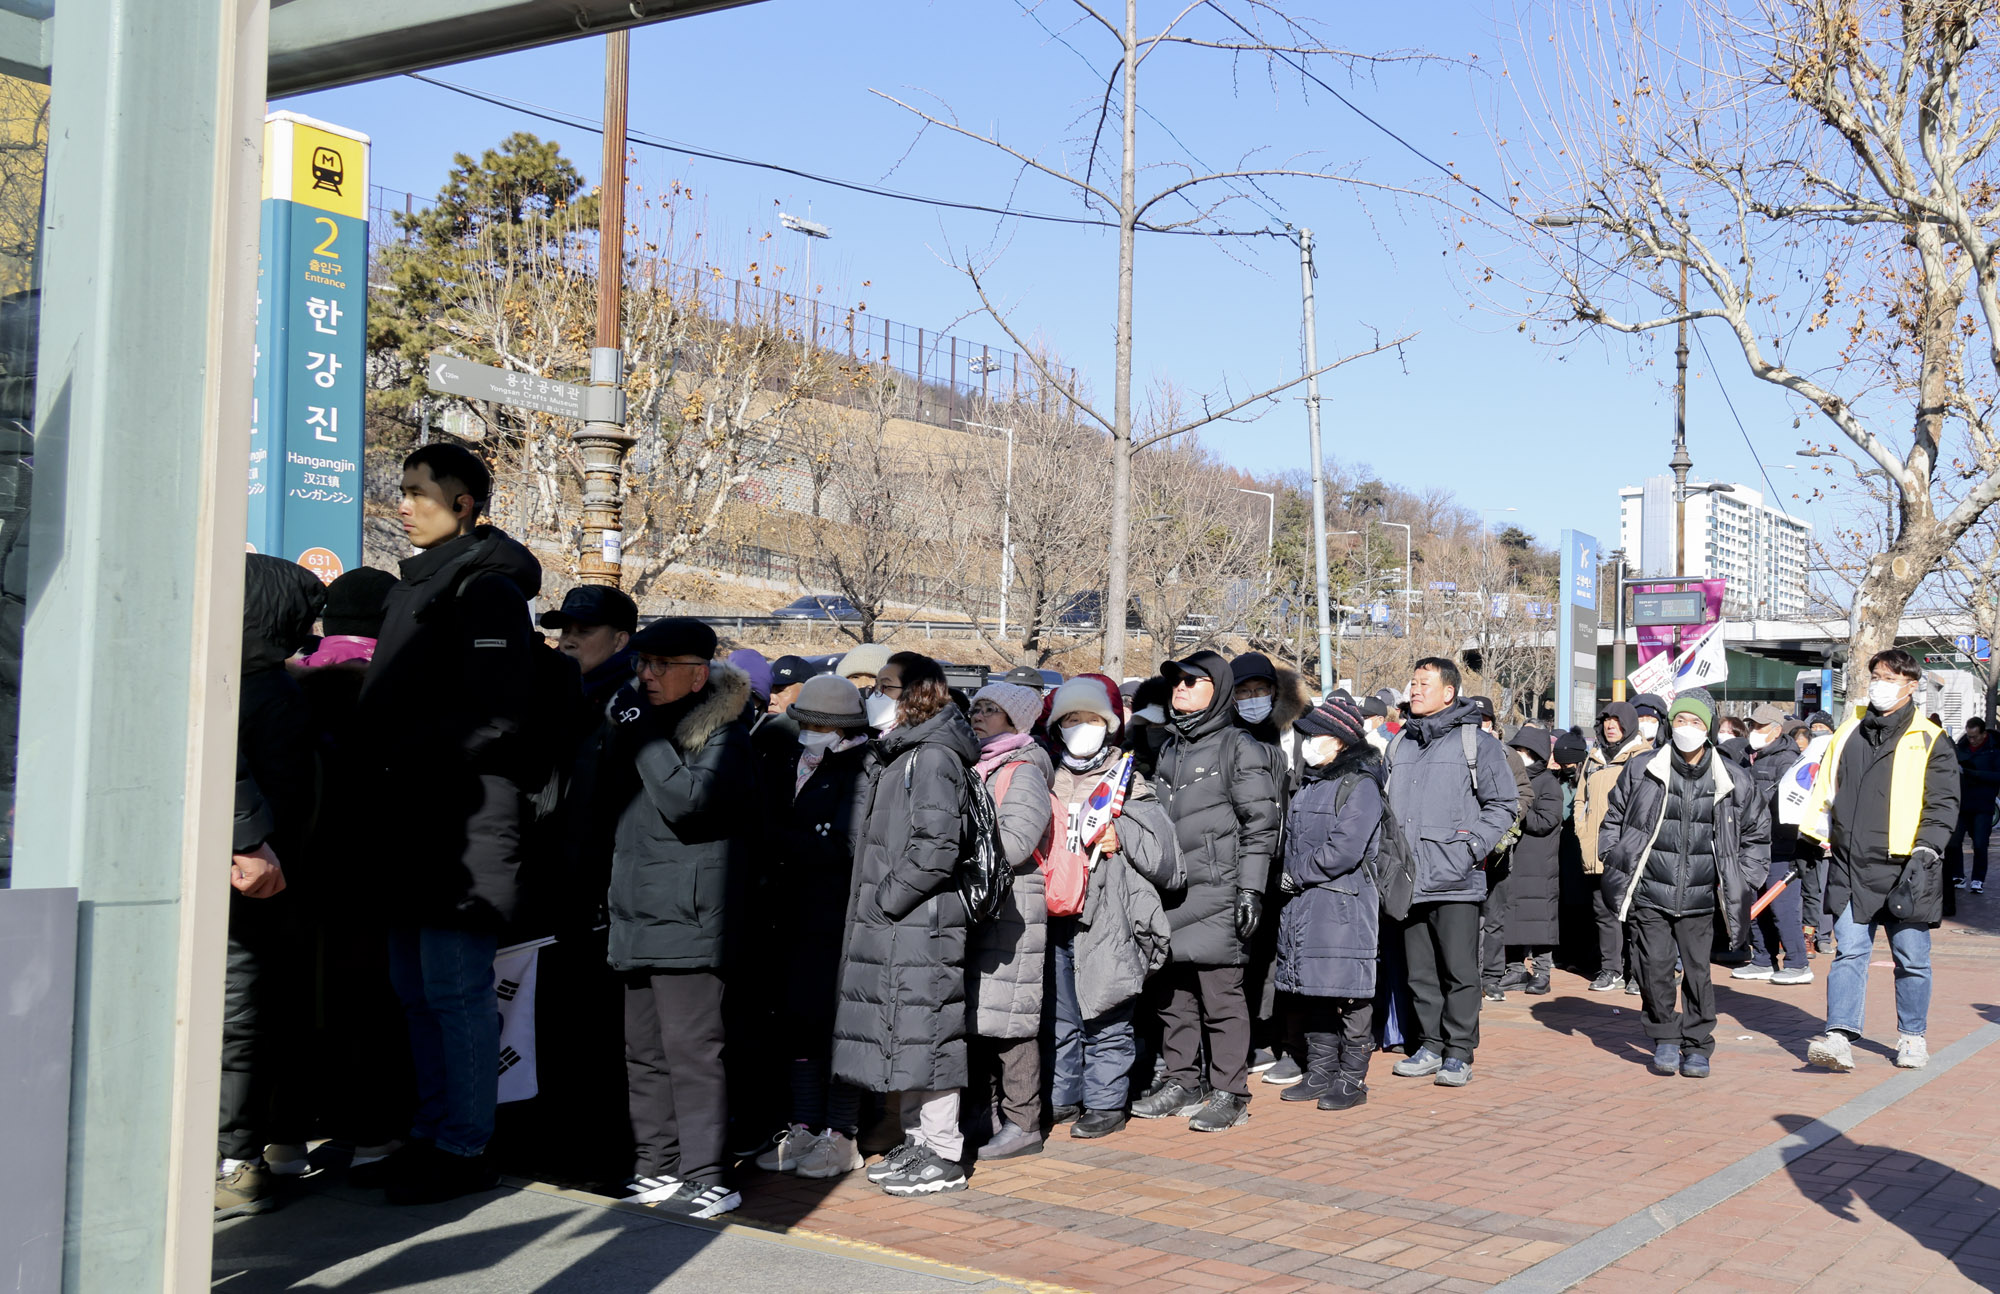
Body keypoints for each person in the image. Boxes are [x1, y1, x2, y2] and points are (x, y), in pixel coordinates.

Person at [355, 443, 544, 1205]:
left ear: (464, 504)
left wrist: (401, 754)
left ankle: (465, 1147)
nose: (402, 504)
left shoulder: (486, 589)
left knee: (455, 994)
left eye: (418, 492)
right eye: (401, 490)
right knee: (417, 992)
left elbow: (497, 717)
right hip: (413, 822)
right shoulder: (421, 584)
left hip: (461, 827)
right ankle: (433, 1134)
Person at [604, 618, 755, 1219]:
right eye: (642, 663)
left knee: (692, 1051)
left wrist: (643, 736)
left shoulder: (725, 735)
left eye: (661, 665)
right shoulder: (635, 723)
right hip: (635, 910)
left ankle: (708, 1175)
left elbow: (689, 802)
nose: (647, 675)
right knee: (643, 1051)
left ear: (698, 674)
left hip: (690, 918)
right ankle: (657, 1165)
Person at [836, 651, 979, 1196]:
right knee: (909, 1036)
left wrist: (886, 901)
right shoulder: (905, 751)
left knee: (930, 1035)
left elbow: (936, 848)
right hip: (905, 921)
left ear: (916, 692)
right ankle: (920, 1143)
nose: (875, 694)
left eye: (887, 686)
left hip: (922, 921)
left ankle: (942, 1154)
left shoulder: (933, 756)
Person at [214, 555, 327, 1219]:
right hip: (277, 880)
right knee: (265, 1010)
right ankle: (267, 1143)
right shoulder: (277, 688)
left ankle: (235, 1158)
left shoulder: (247, 690)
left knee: (238, 1016)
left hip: (248, 881)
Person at [1131, 650, 1281, 1132]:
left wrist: (1251, 890)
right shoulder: (1171, 746)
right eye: (1176, 680)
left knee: (1222, 998)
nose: (1180, 687)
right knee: (1172, 995)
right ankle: (1183, 1081)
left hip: (1219, 891)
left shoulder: (1239, 747)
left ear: (1217, 689)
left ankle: (1230, 1092)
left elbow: (1261, 825)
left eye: (1192, 681)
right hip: (1171, 891)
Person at [1803, 650, 1960, 1073]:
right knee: (1849, 953)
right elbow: (1825, 788)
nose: (1879, 684)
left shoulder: (1930, 739)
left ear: (1911, 685)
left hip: (1908, 868)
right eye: (1876, 676)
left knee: (1912, 959)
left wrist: (1927, 849)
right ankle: (1839, 1036)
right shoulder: (1848, 731)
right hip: (1851, 865)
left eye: (1890, 678)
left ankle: (1912, 1036)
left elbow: (1942, 804)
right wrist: (1813, 837)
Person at [1599, 689, 1768, 1079]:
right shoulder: (1643, 768)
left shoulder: (1732, 777)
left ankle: (1697, 1044)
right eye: (1680, 720)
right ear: (1669, 724)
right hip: (1649, 890)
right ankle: (1664, 1036)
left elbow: (1757, 834)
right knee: (1653, 968)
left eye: (1695, 721)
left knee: (1698, 973)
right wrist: (1615, 856)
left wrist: (1743, 880)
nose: (1687, 728)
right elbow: (1614, 818)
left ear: (1707, 727)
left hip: (1703, 894)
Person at [1043, 676, 1181, 1140]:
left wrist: (1122, 836)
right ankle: (1063, 1096)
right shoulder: (1045, 777)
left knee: (1106, 1012)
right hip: (1053, 914)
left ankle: (1105, 1104)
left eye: (1091, 719)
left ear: (1108, 725)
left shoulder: (1128, 781)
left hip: (1109, 914)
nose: (1081, 727)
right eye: (1071, 719)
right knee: (1060, 1016)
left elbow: (1167, 858)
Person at [753, 673, 874, 1180]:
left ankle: (841, 1133)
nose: (809, 731)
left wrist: (779, 837)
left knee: (836, 1026)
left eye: (820, 725)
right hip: (791, 910)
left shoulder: (863, 766)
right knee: (799, 1021)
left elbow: (847, 845)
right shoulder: (792, 759)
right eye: (806, 722)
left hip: (836, 916)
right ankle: (804, 1123)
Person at [1382, 658, 1519, 1088]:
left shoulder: (1476, 743)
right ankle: (1430, 1045)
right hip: (1409, 878)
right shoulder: (1400, 743)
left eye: (1424, 683)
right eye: (1412, 682)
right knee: (1419, 971)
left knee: (1460, 971)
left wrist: (1470, 848)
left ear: (1449, 692)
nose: (1414, 689)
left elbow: (1504, 805)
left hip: (1456, 879)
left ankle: (1459, 1051)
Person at [1273, 698, 1384, 1111]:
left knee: (1350, 995)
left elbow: (1344, 850)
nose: (1307, 743)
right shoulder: (1311, 782)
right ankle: (1320, 1072)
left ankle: (1352, 1080)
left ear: (1339, 740)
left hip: (1344, 907)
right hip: (1306, 905)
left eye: (1315, 736)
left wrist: (1295, 874)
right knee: (1314, 992)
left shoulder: (1361, 784)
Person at [963, 680, 1055, 1161]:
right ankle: (987, 1115)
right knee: (980, 1016)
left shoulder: (1024, 769)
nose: (977, 716)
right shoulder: (977, 764)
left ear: (1015, 720)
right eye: (975, 707)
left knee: (1013, 1018)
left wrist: (959, 846)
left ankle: (1023, 1123)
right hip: (982, 904)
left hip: (1014, 907)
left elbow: (1017, 843)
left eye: (989, 709)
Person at [1230, 651, 1312, 1081]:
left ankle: (1281, 1039)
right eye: (1243, 692)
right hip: (1240, 865)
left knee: (1283, 957)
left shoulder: (1299, 733)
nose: (1252, 699)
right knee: (1245, 957)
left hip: (1289, 864)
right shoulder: (1226, 734)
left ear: (1276, 693)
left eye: (1260, 690)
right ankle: (1249, 1039)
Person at [1735, 702, 1813, 985]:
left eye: (1760, 726)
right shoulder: (1747, 757)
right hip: (1752, 845)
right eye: (1752, 725)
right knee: (1755, 905)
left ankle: (1798, 962)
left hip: (1780, 847)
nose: (1754, 731)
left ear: (1777, 730)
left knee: (1782, 907)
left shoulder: (1789, 760)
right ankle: (1763, 959)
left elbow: (1792, 802)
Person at [1576, 701, 1647, 993]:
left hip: (1628, 851)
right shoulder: (1593, 757)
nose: (1610, 726)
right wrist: (1582, 829)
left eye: (1617, 721)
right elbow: (1580, 799)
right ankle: (1611, 970)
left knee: (1636, 915)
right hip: (1596, 849)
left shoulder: (1642, 757)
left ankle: (1638, 973)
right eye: (1606, 720)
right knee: (1604, 913)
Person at [1470, 697, 1532, 1003]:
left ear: (1493, 724)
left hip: (1497, 852)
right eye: (1475, 719)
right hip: (1464, 851)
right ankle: (1468, 976)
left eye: (1485, 720)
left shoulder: (1508, 755)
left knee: (1494, 917)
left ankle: (1491, 977)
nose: (1480, 725)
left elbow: (1524, 793)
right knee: (1466, 919)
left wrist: (1509, 820)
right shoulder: (1455, 751)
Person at [1494, 725, 1564, 996]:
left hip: (1538, 864)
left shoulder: (1548, 782)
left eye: (1526, 751)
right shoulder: (1509, 777)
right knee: (1511, 916)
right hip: (1513, 861)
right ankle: (1514, 970)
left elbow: (1547, 820)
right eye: (1518, 750)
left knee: (1539, 918)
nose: (1521, 755)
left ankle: (1542, 972)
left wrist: (1518, 812)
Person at [1947, 716, 2000, 892]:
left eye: (1975, 737)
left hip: (1983, 805)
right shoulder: (1961, 747)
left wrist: (1973, 773)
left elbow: (1997, 776)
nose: (1971, 740)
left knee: (1979, 844)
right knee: (1954, 842)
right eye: (1969, 736)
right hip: (1962, 803)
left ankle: (1978, 879)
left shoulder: (1994, 749)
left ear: (1983, 734)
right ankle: (1958, 875)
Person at [1124, 675, 1172, 778]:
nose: (1150, 729)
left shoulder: (1184, 763)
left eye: (1157, 723)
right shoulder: (1128, 761)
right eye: (1147, 723)